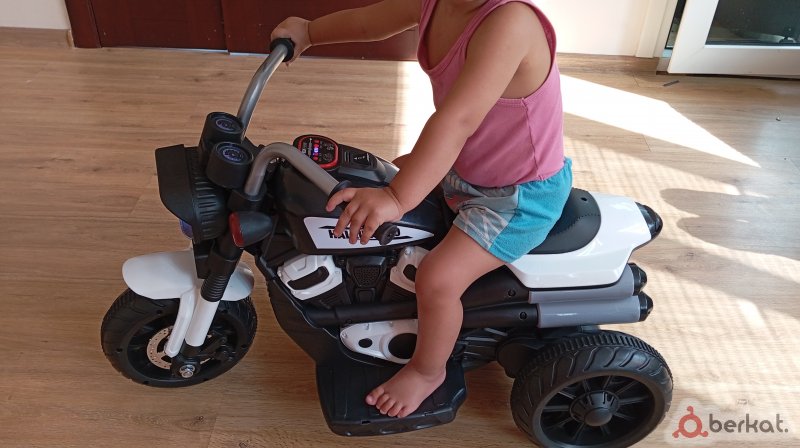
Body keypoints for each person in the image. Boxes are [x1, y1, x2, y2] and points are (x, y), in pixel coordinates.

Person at [271, 0, 572, 419]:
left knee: (438, 279)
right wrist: (310, 31)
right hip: (468, 166)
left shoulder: (511, 22)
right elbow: (368, 22)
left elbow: (458, 120)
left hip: (516, 197)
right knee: (385, 174)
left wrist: (397, 198)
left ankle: (427, 371)